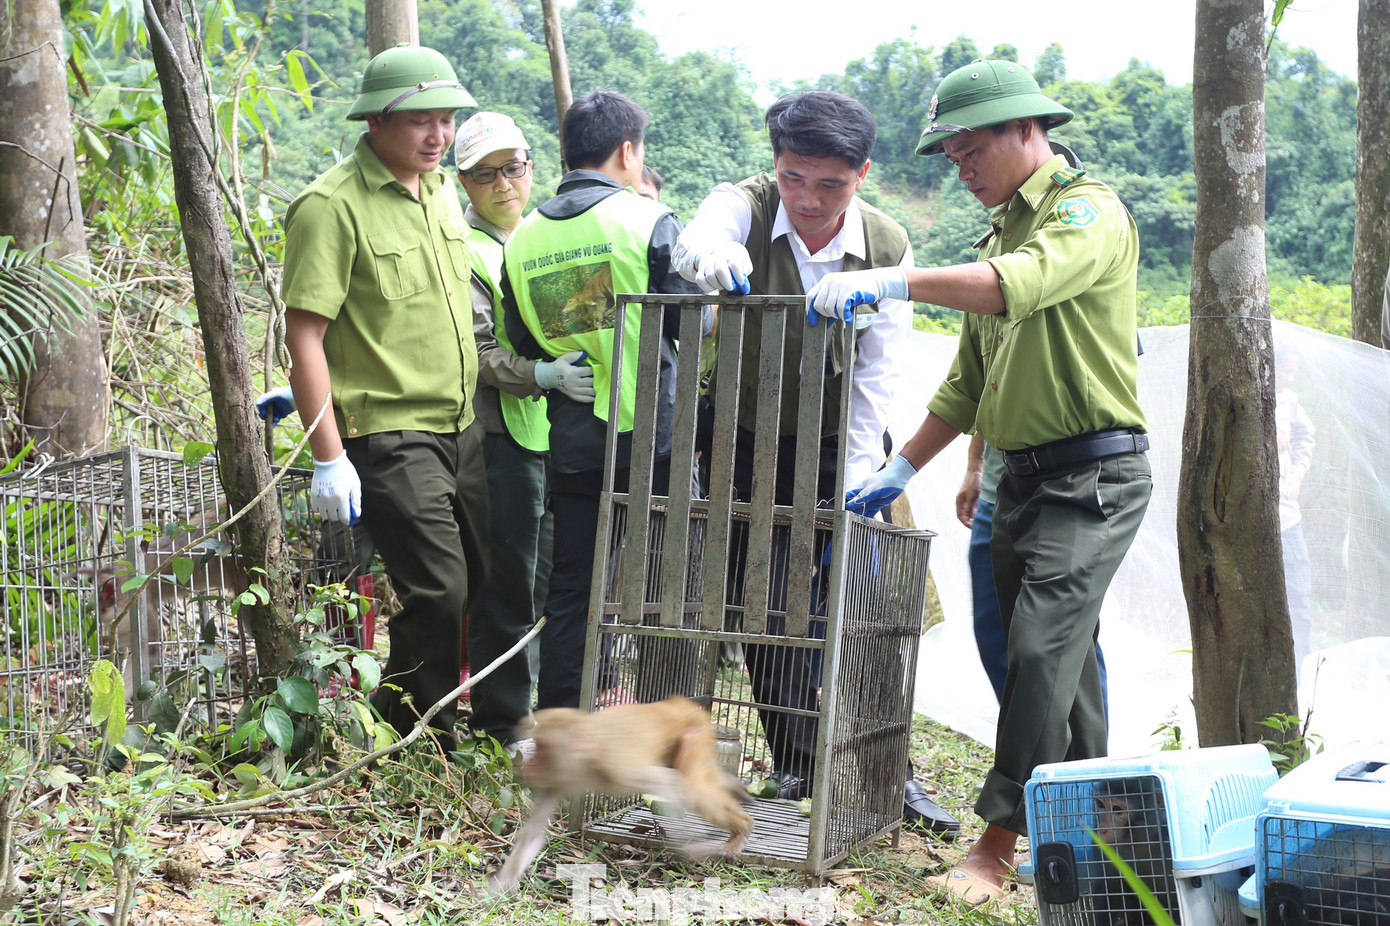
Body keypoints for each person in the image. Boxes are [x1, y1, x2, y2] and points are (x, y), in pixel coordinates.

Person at [806, 60, 1152, 903]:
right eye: (951, 158)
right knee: (1044, 659)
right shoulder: (998, 235)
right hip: (1017, 476)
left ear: (1024, 129)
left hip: (1092, 475)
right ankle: (1098, 824)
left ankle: (997, 845)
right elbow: (969, 380)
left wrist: (894, 280)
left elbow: (1015, 290)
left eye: (970, 151)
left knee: (1042, 652)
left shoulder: (1086, 213)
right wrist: (903, 466)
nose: (960, 170)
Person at [671, 90, 954, 836]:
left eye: (830, 184)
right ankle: (796, 758)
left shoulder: (886, 246)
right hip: (744, 436)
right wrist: (713, 255)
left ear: (862, 174)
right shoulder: (746, 206)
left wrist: (856, 485)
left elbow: (878, 374)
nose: (808, 199)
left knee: (863, 605)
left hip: (841, 441)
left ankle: (889, 772)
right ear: (777, 164)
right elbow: (700, 235)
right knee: (762, 598)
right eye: (794, 177)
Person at [270, 43, 489, 753]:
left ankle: (411, 721)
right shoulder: (330, 207)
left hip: (462, 424)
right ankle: (424, 746)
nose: (438, 135)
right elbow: (304, 335)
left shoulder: (441, 190)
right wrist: (327, 455)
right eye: (420, 120)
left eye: (447, 119)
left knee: (481, 580)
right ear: (376, 121)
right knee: (439, 590)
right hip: (390, 431)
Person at [500, 90, 707, 711]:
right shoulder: (646, 219)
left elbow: (523, 342)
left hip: (575, 439)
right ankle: (664, 732)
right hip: (656, 439)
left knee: (574, 590)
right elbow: (692, 323)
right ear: (628, 151)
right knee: (669, 586)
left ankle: (561, 727)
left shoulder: (522, 239)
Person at [453, 111, 557, 749]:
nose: (502, 184)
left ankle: (541, 713)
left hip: (558, 432)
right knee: (506, 584)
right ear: (464, 183)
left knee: (549, 582)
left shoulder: (546, 235)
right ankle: (503, 723)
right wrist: (541, 375)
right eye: (485, 174)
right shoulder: (463, 249)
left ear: (530, 167)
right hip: (500, 436)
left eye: (512, 168)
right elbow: (477, 350)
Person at [960, 434, 1110, 712]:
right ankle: (1023, 734)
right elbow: (978, 405)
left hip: (1061, 490)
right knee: (993, 634)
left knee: (1064, 635)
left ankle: (1079, 738)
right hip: (996, 491)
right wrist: (975, 464)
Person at [1275, 344, 1315, 670]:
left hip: (1287, 519)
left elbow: (1306, 436)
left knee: (1299, 597)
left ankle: (1301, 675)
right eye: (1285, 370)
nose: (1289, 378)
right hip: (1249, 524)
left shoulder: (1288, 400)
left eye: (1293, 371)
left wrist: (1297, 475)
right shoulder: (1242, 395)